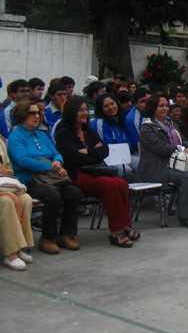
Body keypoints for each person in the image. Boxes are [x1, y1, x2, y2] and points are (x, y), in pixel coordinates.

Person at [56, 96, 138, 247]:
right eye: (80, 110)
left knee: (121, 184)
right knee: (109, 185)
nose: (84, 113)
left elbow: (105, 150)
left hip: (94, 170)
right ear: (71, 111)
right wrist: (94, 151)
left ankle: (125, 225)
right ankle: (115, 231)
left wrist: (87, 152)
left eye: (85, 109)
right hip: (76, 174)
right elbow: (73, 157)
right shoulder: (63, 133)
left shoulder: (88, 131)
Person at [8, 100, 82, 254]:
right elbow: (22, 160)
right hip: (29, 179)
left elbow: (56, 152)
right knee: (53, 196)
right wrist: (50, 166)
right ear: (22, 115)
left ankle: (66, 235)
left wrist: (57, 161)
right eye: (32, 113)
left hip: (49, 178)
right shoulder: (16, 137)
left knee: (73, 192)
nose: (38, 116)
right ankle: (47, 238)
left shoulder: (42, 135)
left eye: (38, 112)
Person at [139, 93, 188, 229]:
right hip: (158, 167)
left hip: (177, 164)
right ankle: (186, 216)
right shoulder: (147, 127)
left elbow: (184, 140)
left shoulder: (171, 124)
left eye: (166, 106)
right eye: (161, 106)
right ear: (153, 108)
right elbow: (160, 148)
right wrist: (183, 149)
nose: (165, 109)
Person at [0, 137, 34, 270]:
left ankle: (20, 246)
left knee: (25, 199)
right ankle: (10, 253)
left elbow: (8, 164)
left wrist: (8, 171)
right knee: (6, 202)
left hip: (2, 184)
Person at [92, 93, 138, 181]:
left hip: (126, 155)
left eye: (112, 103)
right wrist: (122, 159)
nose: (111, 107)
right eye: (106, 106)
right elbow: (105, 145)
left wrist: (125, 156)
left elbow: (129, 141)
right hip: (109, 158)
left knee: (141, 164)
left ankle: (140, 193)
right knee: (126, 170)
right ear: (101, 109)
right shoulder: (100, 123)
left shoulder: (121, 120)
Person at [125, 87, 151, 157]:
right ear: (136, 103)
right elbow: (140, 142)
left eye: (149, 100)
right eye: (143, 101)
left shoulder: (153, 111)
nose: (147, 103)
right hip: (139, 151)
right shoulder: (133, 118)